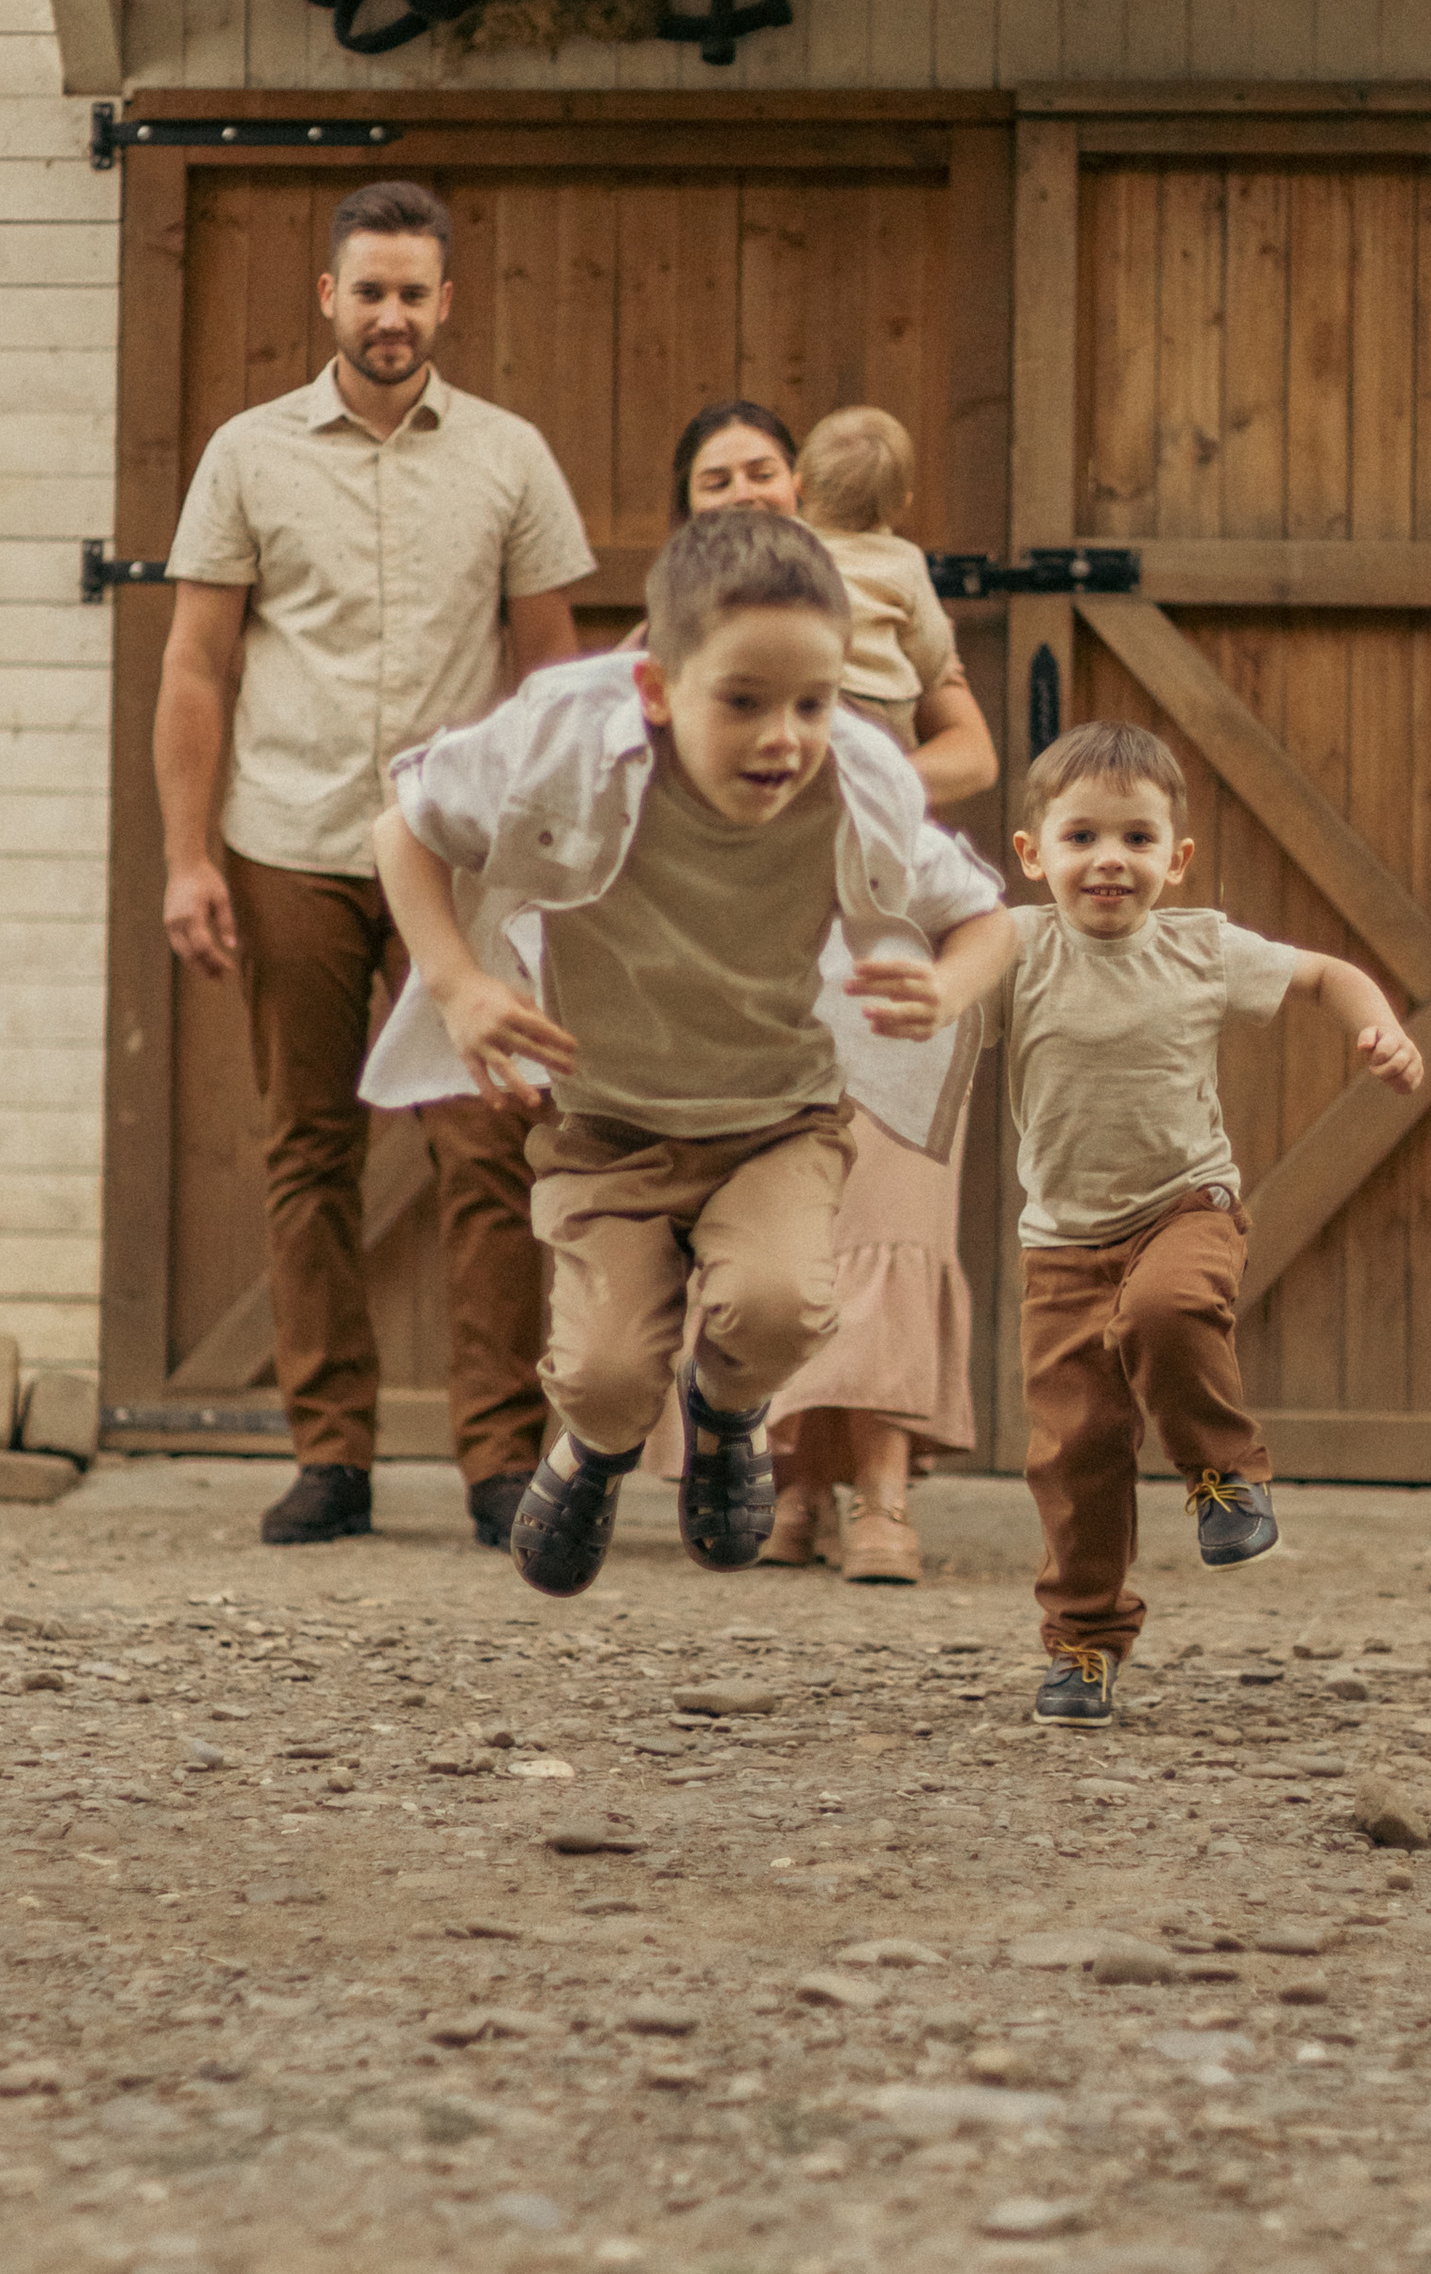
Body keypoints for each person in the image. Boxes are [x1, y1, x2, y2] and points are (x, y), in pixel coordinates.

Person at [365, 505, 1014, 1600]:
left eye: (812, 703)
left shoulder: (856, 779)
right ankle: (594, 1454)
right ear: (659, 689)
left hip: (775, 1120)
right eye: (745, 703)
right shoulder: (567, 737)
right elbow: (405, 826)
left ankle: (727, 1417)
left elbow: (987, 914)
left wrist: (945, 986)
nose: (784, 739)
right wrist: (459, 984)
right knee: (608, 1376)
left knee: (777, 1307)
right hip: (608, 1124)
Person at [156, 180, 594, 1550]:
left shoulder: (512, 457)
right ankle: (330, 1455)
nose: (391, 314)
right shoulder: (248, 454)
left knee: (491, 1147)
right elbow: (195, 665)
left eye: (415, 291)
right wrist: (187, 859)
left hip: (462, 857)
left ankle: (495, 1461)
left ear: (445, 303)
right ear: (329, 296)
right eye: (370, 289)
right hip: (290, 836)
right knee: (307, 1149)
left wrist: (556, 846)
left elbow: (555, 664)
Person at [1009, 718, 1423, 1728]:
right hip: (1060, 1244)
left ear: (1175, 859)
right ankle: (1084, 1646)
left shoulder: (1200, 947)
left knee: (1167, 1309)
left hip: (1182, 1205)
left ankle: (1223, 1475)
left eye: (1137, 839)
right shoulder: (1015, 950)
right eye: (1081, 838)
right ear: (1033, 855)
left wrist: (1380, 1026)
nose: (1109, 859)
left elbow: (1325, 975)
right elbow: (929, 997)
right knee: (1075, 1453)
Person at [669, 399, 998, 1587]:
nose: (749, 489)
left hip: (881, 906)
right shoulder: (689, 620)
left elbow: (973, 750)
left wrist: (861, 772)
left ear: (801, 485)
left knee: (893, 1204)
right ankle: (792, 1483)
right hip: (750, 927)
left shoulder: (858, 590)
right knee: (782, 1219)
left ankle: (885, 1496)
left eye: (765, 468)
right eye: (721, 477)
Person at [793, 404, 961, 743]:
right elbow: (930, 646)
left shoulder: (787, 542)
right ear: (904, 504)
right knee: (889, 775)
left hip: (814, 697)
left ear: (799, 486)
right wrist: (932, 676)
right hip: (887, 705)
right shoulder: (905, 559)